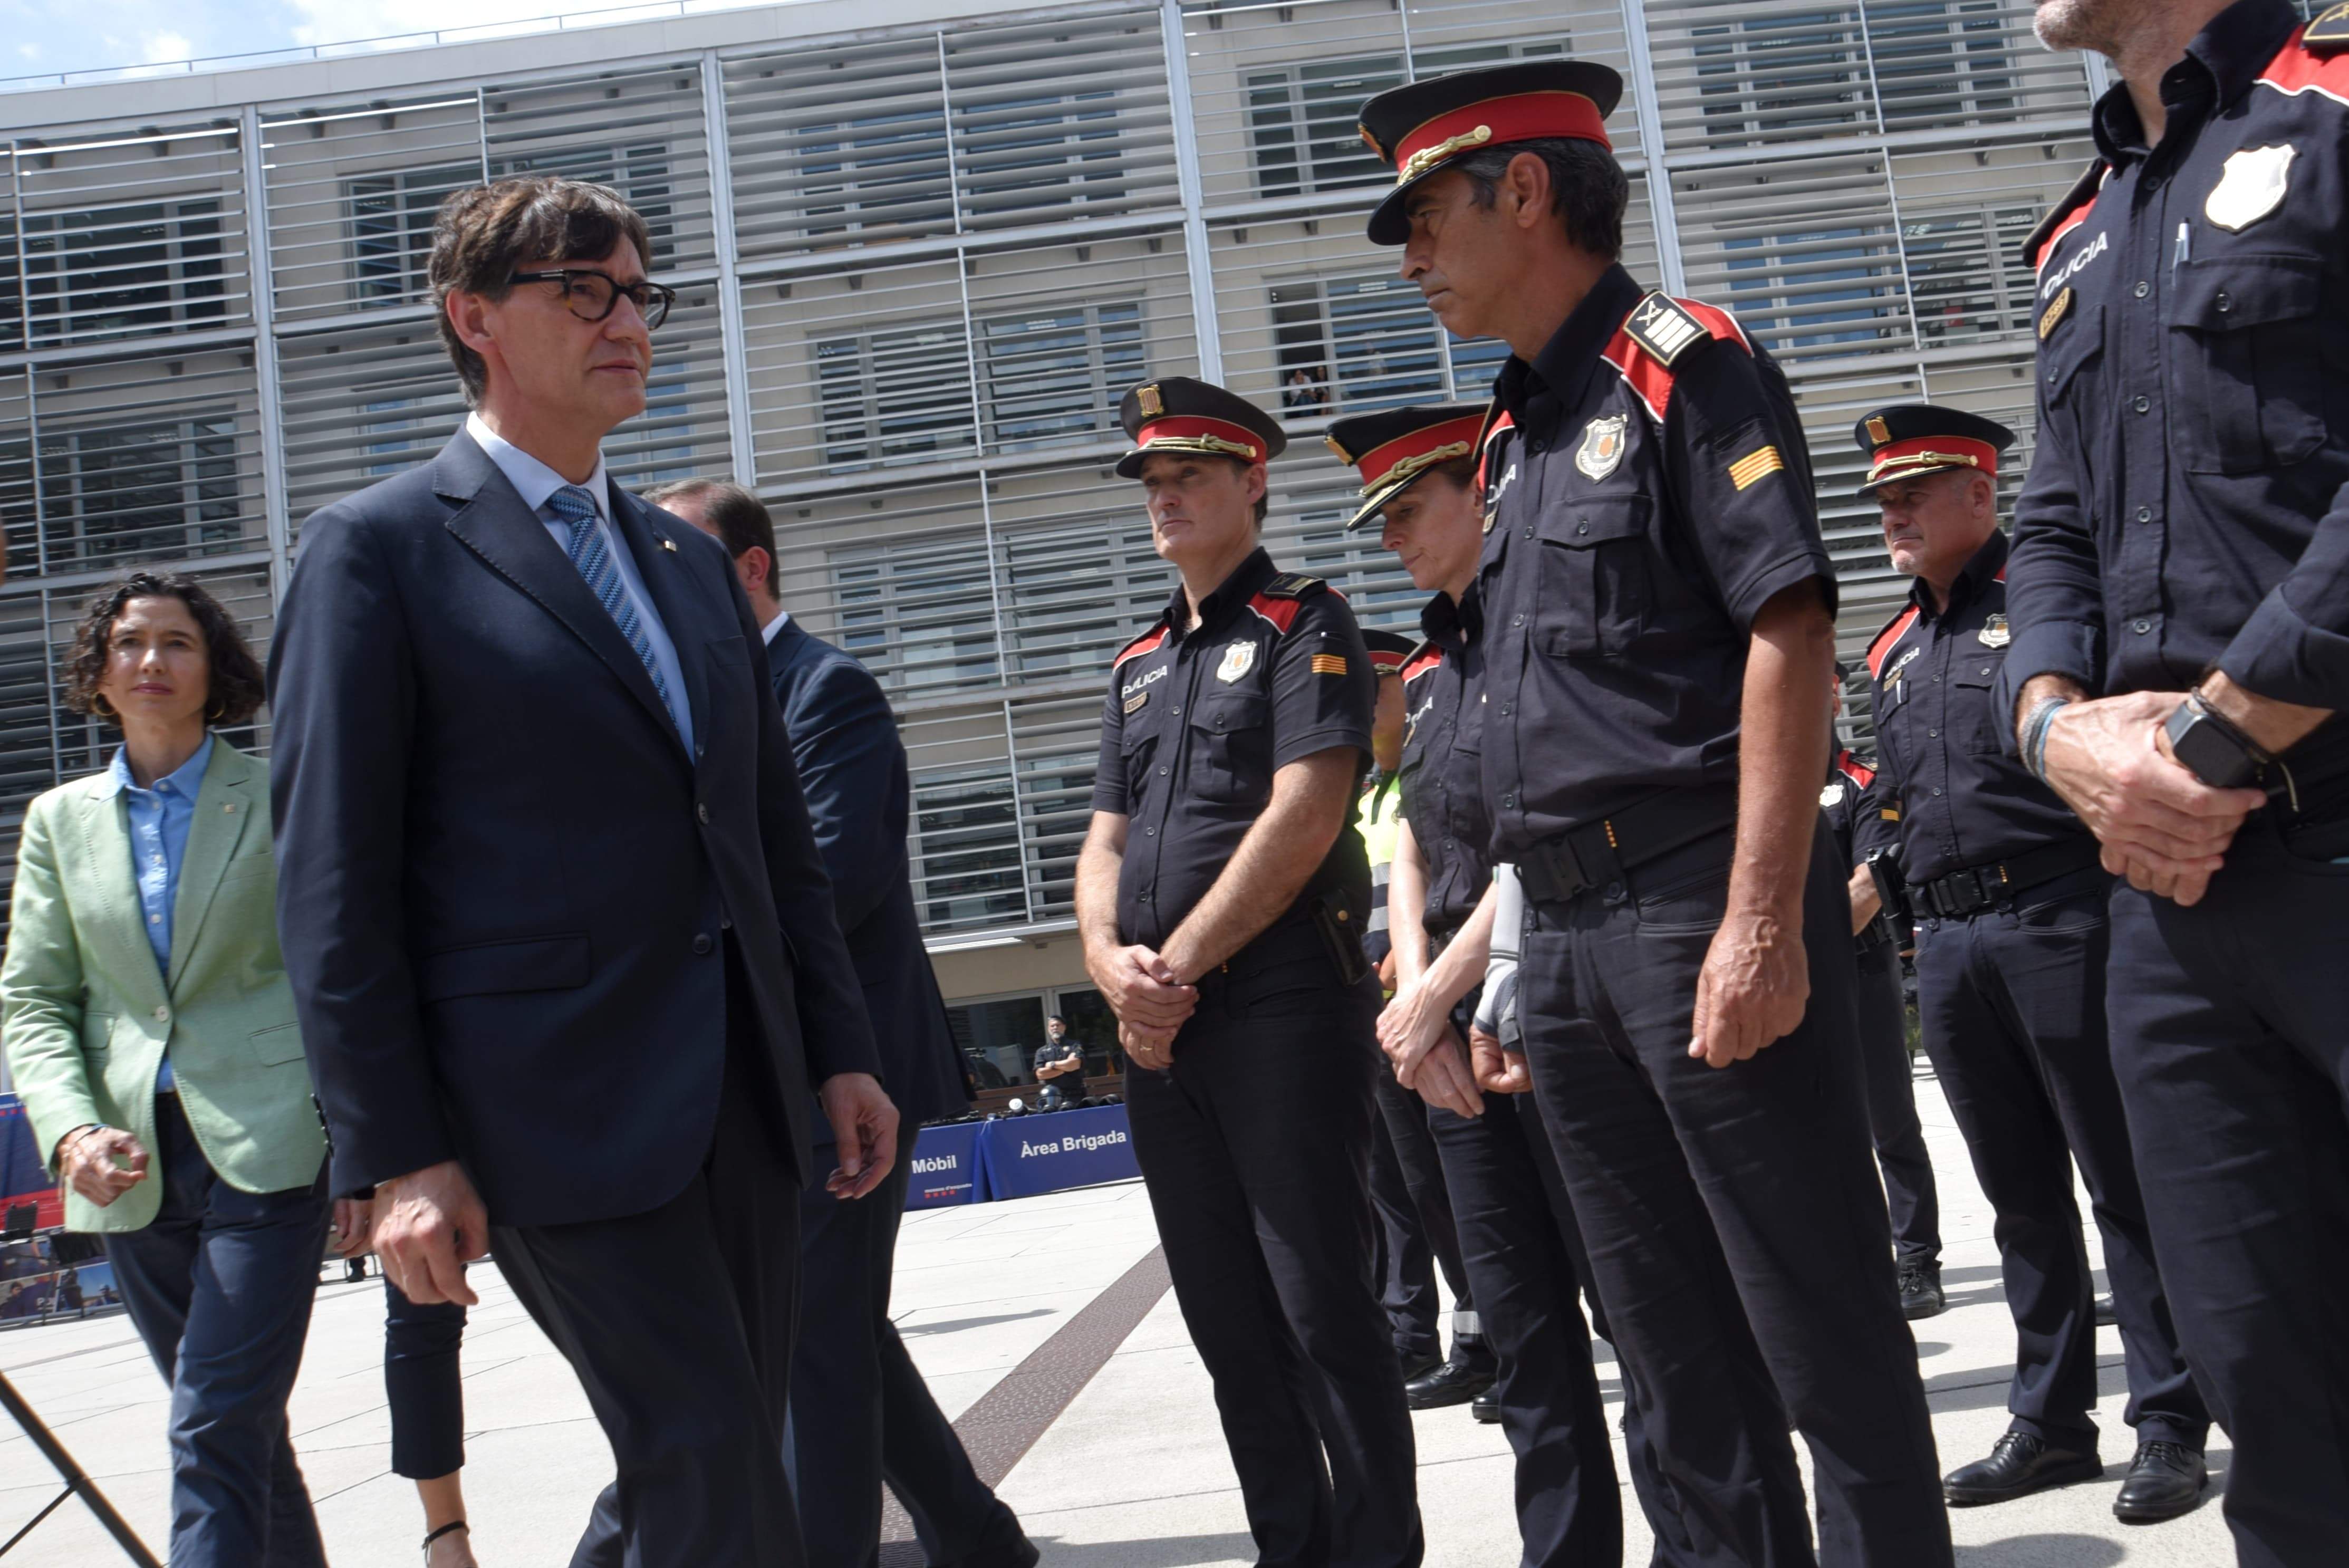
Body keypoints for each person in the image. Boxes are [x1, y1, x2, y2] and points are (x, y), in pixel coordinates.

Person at [1356, 62, 1952, 1564]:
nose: (1411, 257)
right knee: (1666, 1354)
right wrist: (1510, 962)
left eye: (1425, 217)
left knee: (1816, 1326)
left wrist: (1762, 916)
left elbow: (1785, 628)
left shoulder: (1686, 367)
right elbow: (1518, 720)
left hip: (1699, 899)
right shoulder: (1507, 440)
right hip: (1560, 935)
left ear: (1527, 192)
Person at [267, 177, 897, 1568]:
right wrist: (397, 1151)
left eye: (639, 290)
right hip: (546, 1104)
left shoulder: (682, 560)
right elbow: (330, 882)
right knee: (709, 1446)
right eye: (584, 288)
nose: (627, 319)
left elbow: (767, 838)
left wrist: (840, 1048)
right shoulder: (374, 551)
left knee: (708, 1454)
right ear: (472, 315)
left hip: (742, 1086)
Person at [2006, 0, 2349, 1555]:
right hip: (2161, 890)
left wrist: (2209, 739)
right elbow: (2049, 525)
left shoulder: (2331, 108)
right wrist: (2050, 728)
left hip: (2315, 822)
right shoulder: (2083, 229)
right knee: (2261, 1401)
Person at [645, 474, 1032, 1568]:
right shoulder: (709, 703)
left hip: (850, 1065)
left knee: (815, 1330)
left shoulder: (824, 691)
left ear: (750, 567)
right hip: (768, 1072)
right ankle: (976, 1535)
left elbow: (835, 873)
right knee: (836, 1323)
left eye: (679, 561)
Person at [1075, 377, 1421, 1568]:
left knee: (1321, 1304)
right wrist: (1107, 968)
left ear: (1252, 480)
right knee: (1229, 1321)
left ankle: (1378, 1549)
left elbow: (1309, 807)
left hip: (1278, 1011)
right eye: (1152, 483)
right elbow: (1102, 846)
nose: (1164, 499)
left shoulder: (1304, 624)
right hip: (1162, 1040)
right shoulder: (1134, 664)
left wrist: (1166, 966)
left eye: (1189, 477)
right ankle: (1296, 1545)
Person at [1855, 403, 2208, 1519]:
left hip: (2063, 917)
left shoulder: (2053, 611)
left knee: (2123, 1182)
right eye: (1881, 498)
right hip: (1949, 946)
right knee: (2018, 1200)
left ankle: (2168, 1415)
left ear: (1980, 490)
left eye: (1915, 490)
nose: (1892, 514)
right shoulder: (1891, 651)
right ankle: (2052, 1421)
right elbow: (1892, 798)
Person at [1339, 403, 1626, 1564]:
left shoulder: (1542, 630)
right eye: (1383, 516)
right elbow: (1409, 836)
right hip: (1451, 1029)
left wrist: (1436, 991)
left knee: (1632, 1311)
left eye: (1412, 507)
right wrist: (1414, 1006)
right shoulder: (1431, 665)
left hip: (1549, 996)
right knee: (1521, 1329)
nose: (1393, 533)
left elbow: (1543, 834)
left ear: (1482, 496)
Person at [1, 572, 330, 1567]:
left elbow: (335, 964)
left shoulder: (277, 792)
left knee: (212, 1418)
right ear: (99, 671)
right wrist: (67, 1130)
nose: (151, 660)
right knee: (239, 1431)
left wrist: (368, 1139)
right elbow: (37, 999)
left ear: (213, 667)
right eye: (130, 642)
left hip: (270, 1139)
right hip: (125, 1159)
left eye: (178, 642)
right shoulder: (58, 821)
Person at [1358, 626, 1493, 1406]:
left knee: (1460, 1187)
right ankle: (1441, 1337)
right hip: (1379, 1021)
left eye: (1371, 688)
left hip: (1438, 1002)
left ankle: (1494, 1336)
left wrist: (1414, 978)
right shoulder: (1362, 793)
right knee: (1406, 1194)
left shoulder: (1421, 779)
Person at [1822, 667, 1946, 1319]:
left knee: (1887, 1121)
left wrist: (1784, 947)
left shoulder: (1861, 785)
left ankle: (1916, 1258)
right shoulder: (1737, 792)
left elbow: (1868, 886)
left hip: (1854, 973)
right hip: (1774, 983)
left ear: (1834, 694)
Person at [1033, 1016, 1089, 1108]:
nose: (1055, 1028)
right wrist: (1066, 1068)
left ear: (1064, 1027)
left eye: (1058, 1025)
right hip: (1051, 1098)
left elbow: (1075, 1064)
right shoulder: (1042, 1051)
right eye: (1052, 1026)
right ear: (1048, 1029)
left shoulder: (1075, 1045)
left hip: (1075, 1096)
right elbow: (1040, 1074)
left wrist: (1051, 1065)